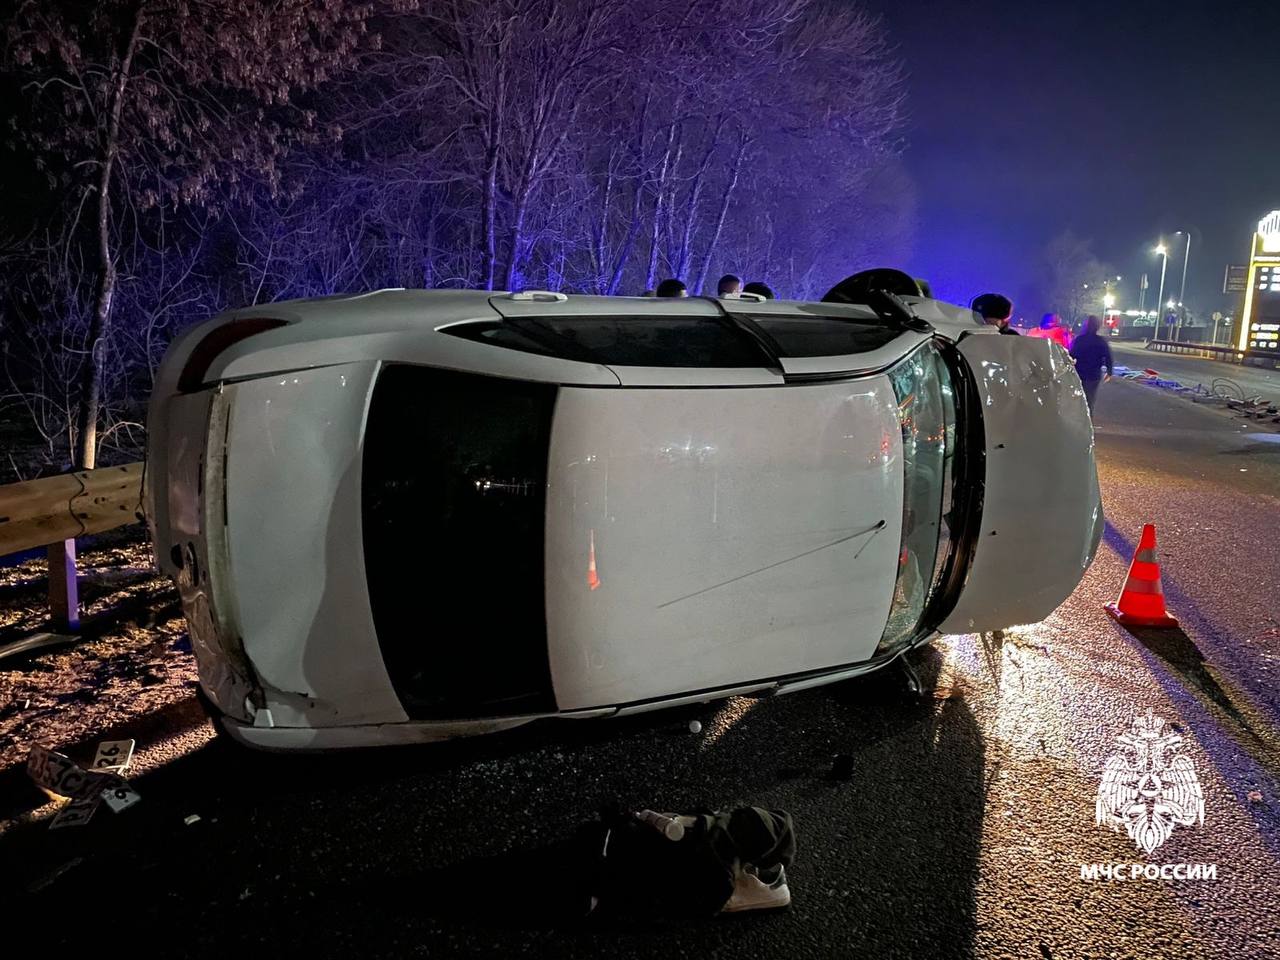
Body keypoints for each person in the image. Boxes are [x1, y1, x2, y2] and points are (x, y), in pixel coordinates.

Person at [1069, 314, 1114, 414]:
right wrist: (1109, 371)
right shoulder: (1101, 341)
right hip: (1094, 374)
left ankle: (1077, 418)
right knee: (1090, 399)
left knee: (1077, 398)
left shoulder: (1079, 340)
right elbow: (1108, 357)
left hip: (1079, 372)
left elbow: (1071, 355)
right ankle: (1087, 420)